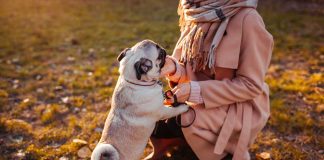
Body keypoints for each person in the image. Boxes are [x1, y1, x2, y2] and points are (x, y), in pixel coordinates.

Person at [145, 0, 273, 160]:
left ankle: (222, 153)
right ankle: (173, 146)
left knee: (186, 118)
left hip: (236, 107)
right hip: (197, 99)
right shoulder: (194, 11)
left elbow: (251, 85)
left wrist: (195, 91)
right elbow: (193, 64)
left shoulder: (247, 19)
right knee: (149, 111)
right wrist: (175, 69)